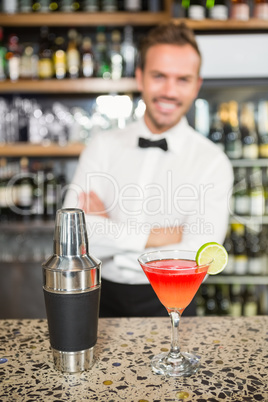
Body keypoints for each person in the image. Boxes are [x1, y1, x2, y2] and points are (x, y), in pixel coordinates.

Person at [64, 22, 233, 317]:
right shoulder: (101, 146)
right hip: (99, 298)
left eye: (183, 79)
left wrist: (109, 235)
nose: (170, 91)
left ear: (196, 85)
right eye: (159, 76)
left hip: (174, 304)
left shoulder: (213, 162)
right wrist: (161, 238)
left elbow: (198, 258)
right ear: (140, 77)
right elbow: (73, 241)